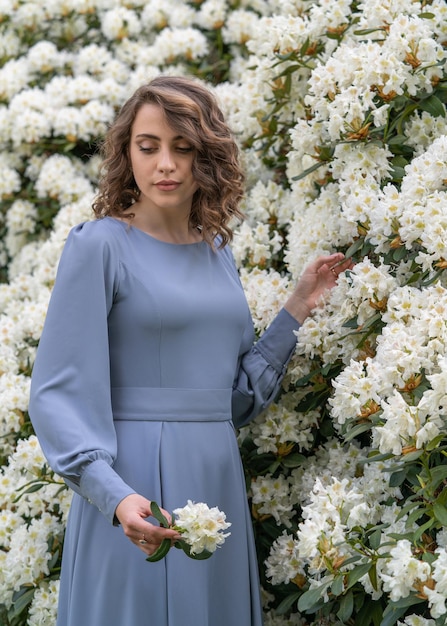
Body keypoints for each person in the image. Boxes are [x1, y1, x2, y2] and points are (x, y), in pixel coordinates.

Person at [28, 75, 351, 626]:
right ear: (126, 152)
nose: (166, 165)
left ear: (207, 155)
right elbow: (57, 392)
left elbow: (234, 401)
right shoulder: (99, 244)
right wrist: (115, 497)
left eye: (183, 148)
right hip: (131, 485)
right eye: (148, 147)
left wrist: (295, 308)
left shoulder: (217, 253)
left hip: (214, 478)